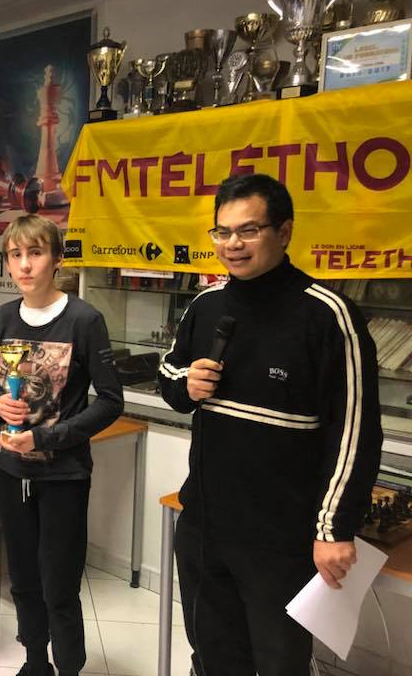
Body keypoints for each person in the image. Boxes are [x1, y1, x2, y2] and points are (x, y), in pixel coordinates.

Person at [158, 173, 383, 676]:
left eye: (248, 230)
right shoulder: (206, 305)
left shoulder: (328, 316)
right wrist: (187, 384)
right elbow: (168, 374)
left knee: (280, 663)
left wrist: (333, 528)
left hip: (281, 539)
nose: (232, 244)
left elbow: (354, 433)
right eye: (222, 232)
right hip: (205, 526)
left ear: (284, 232)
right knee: (212, 656)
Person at [0, 214, 123, 676]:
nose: (25, 265)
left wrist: (45, 437)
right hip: (8, 470)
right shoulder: (3, 317)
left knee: (59, 585)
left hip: (62, 475)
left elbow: (111, 402)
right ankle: (34, 661)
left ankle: (68, 668)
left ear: (58, 259)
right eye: (15, 255)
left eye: (36, 253)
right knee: (23, 579)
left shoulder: (84, 319)